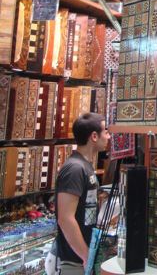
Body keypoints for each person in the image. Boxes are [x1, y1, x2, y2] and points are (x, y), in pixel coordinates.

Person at [54, 113, 111, 274]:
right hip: (74, 262)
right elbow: (65, 218)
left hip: (82, 259)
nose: (108, 136)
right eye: (105, 131)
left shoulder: (84, 166)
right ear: (94, 136)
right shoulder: (75, 169)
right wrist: (86, 256)